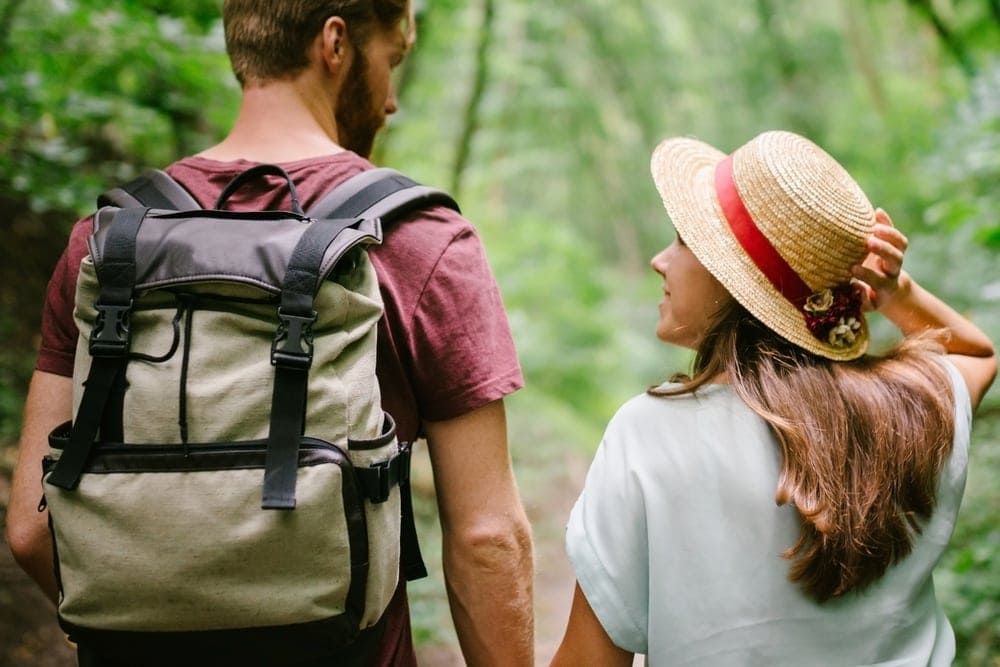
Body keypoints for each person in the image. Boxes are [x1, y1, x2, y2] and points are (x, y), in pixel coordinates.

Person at [5, 1, 534, 665]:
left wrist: (146, 613)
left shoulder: (106, 244)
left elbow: (30, 529)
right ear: (334, 44)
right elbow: (487, 536)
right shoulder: (421, 242)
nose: (393, 99)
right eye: (389, 60)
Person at [552, 130, 996, 666]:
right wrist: (899, 296)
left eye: (684, 242)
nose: (659, 260)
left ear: (737, 280)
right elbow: (977, 357)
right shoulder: (912, 409)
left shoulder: (647, 433)